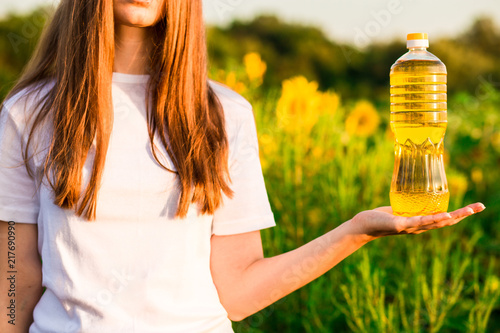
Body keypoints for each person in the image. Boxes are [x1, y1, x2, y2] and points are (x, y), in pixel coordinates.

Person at [0, 0, 485, 332]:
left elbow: (234, 289)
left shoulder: (223, 114)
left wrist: (356, 231)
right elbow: (13, 282)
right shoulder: (28, 113)